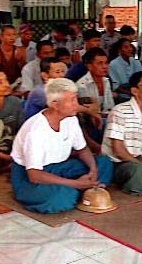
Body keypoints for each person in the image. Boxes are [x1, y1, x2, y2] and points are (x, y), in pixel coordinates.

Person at [10, 78, 113, 213]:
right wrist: (75, 183)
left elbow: (82, 149)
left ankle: (82, 188)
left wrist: (93, 170)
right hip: (31, 177)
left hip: (60, 167)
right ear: (55, 104)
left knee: (104, 163)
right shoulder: (36, 130)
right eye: (71, 100)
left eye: (76, 99)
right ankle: (82, 190)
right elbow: (34, 175)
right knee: (60, 197)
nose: (76, 105)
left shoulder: (71, 119)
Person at [75, 47, 115, 115]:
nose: (105, 66)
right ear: (89, 66)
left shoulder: (106, 81)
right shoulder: (82, 85)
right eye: (100, 63)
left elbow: (110, 106)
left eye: (106, 63)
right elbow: (90, 112)